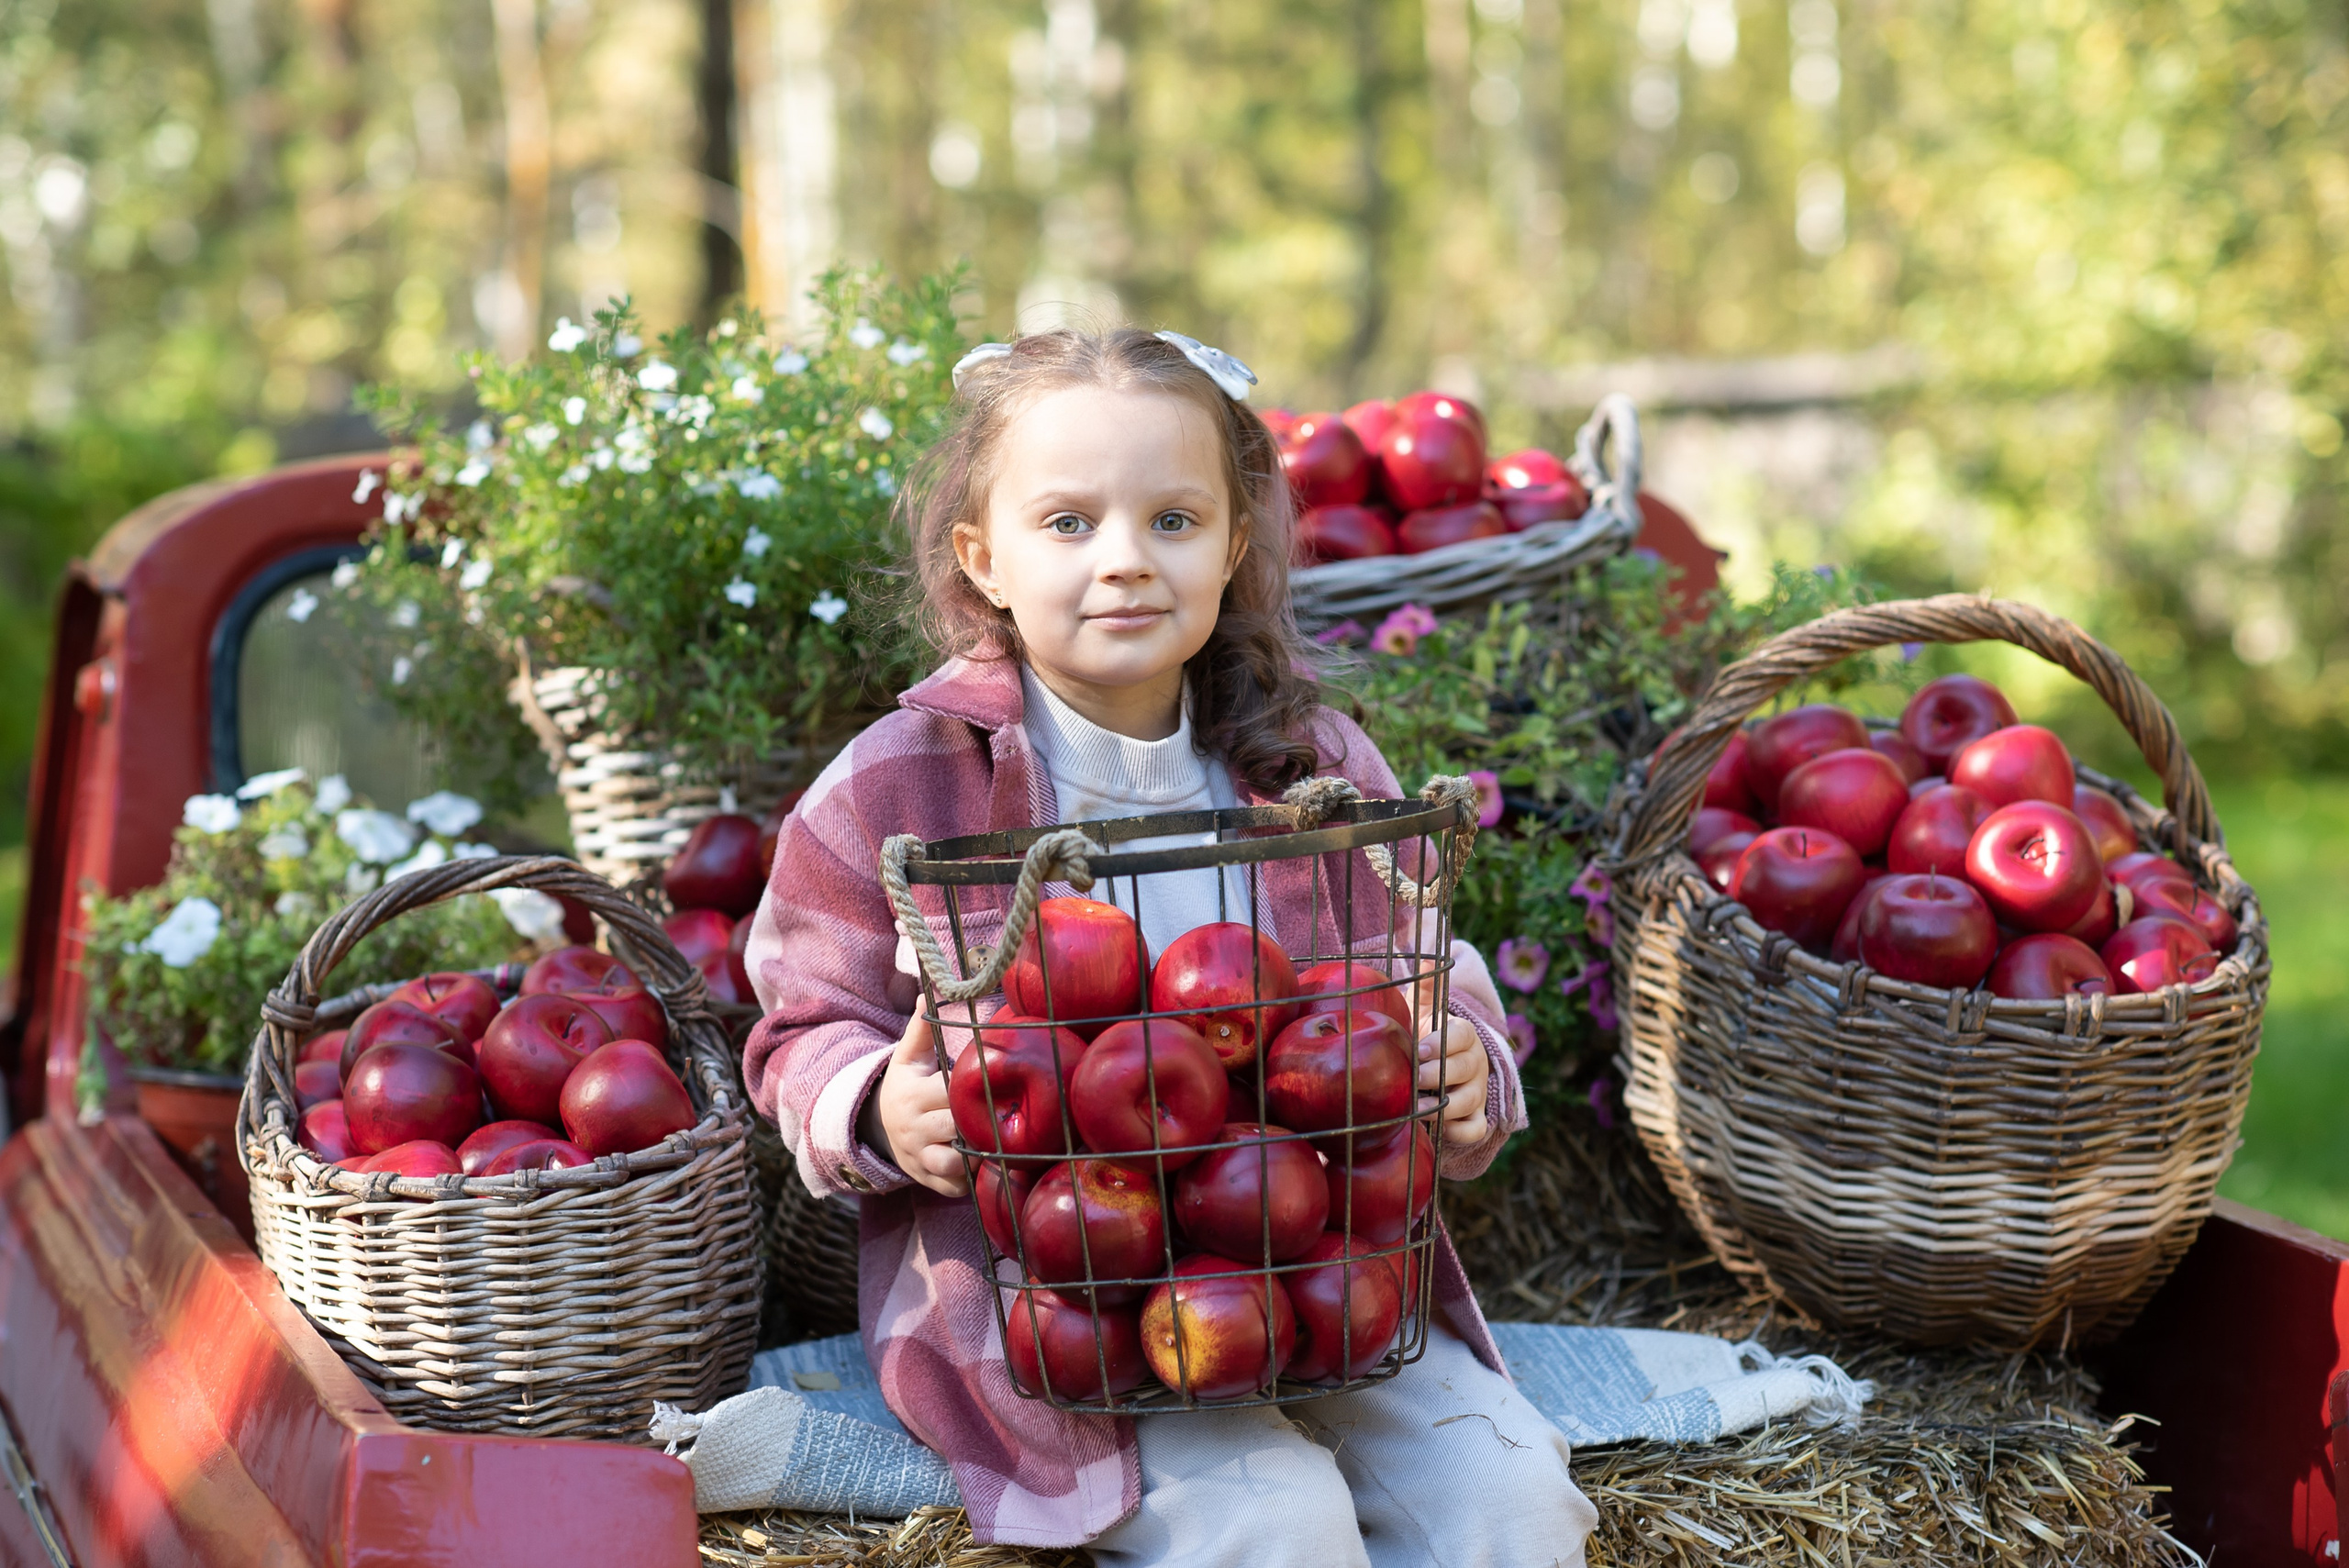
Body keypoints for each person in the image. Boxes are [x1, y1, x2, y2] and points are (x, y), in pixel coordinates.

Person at [741, 327, 1598, 1566]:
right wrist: (879, 1104)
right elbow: (802, 1021)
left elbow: (1417, 964)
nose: (1127, 560)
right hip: (1060, 1292)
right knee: (1274, 1525)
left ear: (1235, 545)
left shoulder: (1313, 767)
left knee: (1511, 1497)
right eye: (1069, 523)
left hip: (1309, 1249)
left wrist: (1460, 1056)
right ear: (984, 559)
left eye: (1175, 521)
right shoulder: (899, 787)